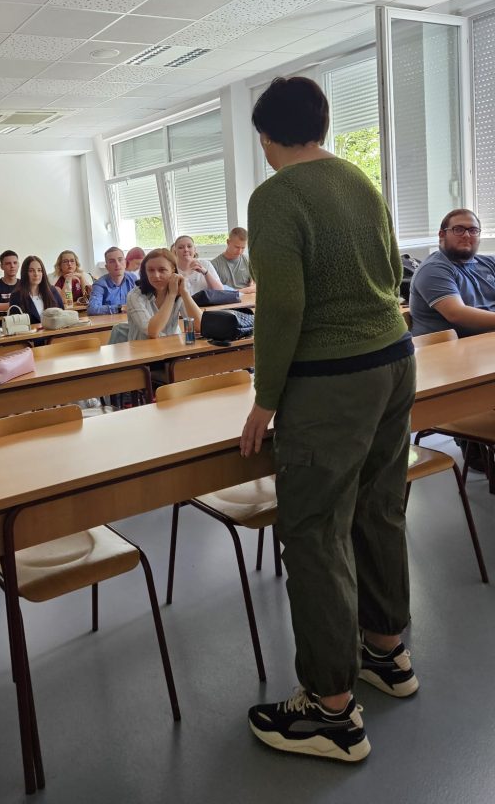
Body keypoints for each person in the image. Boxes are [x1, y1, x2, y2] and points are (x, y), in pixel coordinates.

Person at [238, 76, 415, 764]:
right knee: (378, 509)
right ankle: (388, 652)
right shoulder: (358, 180)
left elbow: (281, 308)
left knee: (313, 531)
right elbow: (394, 270)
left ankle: (331, 710)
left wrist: (265, 397)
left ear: (268, 137)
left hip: (332, 380)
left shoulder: (276, 196)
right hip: (394, 361)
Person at [409, 209, 495, 336]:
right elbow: (457, 314)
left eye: (473, 230)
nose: (467, 235)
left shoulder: (489, 263)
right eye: (458, 229)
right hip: (444, 350)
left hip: (484, 342)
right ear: (442, 235)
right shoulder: (433, 269)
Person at [125, 248, 201, 341]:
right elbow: (153, 332)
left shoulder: (180, 289)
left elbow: (200, 326)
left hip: (173, 347)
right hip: (143, 351)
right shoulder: (135, 296)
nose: (156, 275)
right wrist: (171, 295)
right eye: (151, 270)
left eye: (162, 270)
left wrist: (185, 293)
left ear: (173, 270)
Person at [8, 256, 62, 325]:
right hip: (30, 335)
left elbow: (62, 315)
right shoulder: (16, 296)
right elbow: (15, 324)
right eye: (31, 271)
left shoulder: (52, 291)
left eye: (39, 270)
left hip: (54, 334)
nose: (36, 274)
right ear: (25, 273)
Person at [88, 247, 137, 315]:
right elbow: (92, 309)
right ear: (107, 267)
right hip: (111, 324)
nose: (117, 264)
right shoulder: (100, 284)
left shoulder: (133, 279)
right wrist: (120, 308)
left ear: (125, 263)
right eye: (112, 261)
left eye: (120, 260)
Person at [211, 227, 256, 292]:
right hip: (228, 300)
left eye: (243, 248)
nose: (239, 251)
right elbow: (216, 292)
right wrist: (244, 290)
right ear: (228, 242)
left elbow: (255, 286)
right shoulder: (214, 265)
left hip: (248, 299)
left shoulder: (248, 261)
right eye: (237, 247)